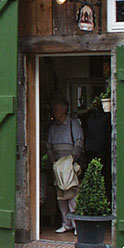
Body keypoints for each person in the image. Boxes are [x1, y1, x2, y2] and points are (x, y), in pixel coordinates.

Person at [46, 98, 83, 233]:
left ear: (64, 109)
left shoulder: (73, 124)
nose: (54, 112)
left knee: (72, 195)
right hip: (58, 165)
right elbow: (49, 146)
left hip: (69, 164)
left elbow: (79, 142)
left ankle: (76, 225)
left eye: (56, 109)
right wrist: (53, 162)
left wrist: (72, 159)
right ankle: (65, 223)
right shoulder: (53, 127)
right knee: (61, 196)